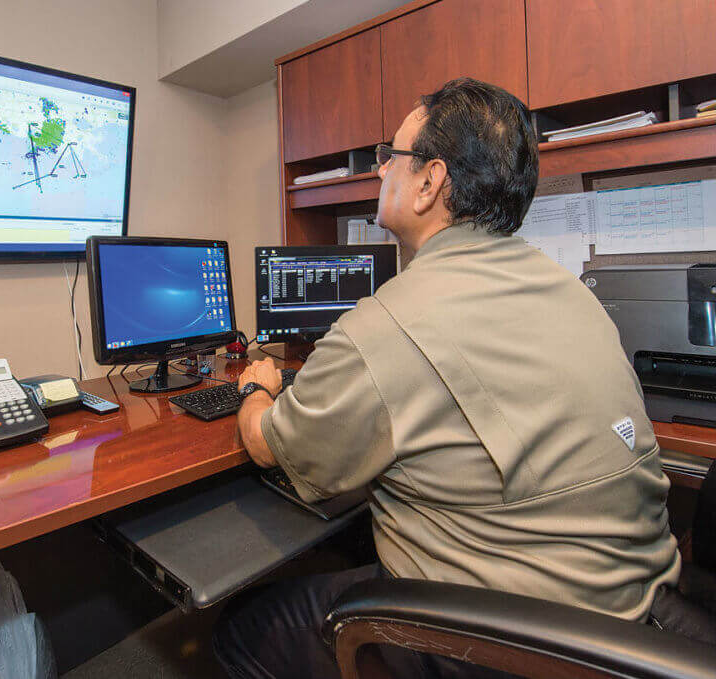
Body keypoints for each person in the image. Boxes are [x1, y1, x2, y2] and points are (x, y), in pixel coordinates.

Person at [213, 78, 708, 679]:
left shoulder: (389, 324)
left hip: (513, 643)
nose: (378, 173)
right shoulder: (573, 293)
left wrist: (256, 388)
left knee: (243, 629)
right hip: (636, 615)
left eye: (388, 157)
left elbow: (271, 444)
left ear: (430, 181)